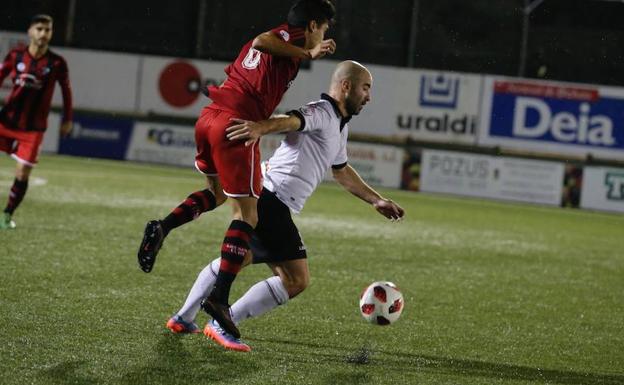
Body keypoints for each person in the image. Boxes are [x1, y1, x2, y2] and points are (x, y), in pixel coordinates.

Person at [168, 60, 405, 352]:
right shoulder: (323, 111)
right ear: (346, 86)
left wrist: (376, 199)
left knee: (236, 259)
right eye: (365, 88)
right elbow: (292, 120)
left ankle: (183, 317)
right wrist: (260, 128)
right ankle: (220, 323)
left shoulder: (339, 126)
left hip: (269, 196)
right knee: (296, 279)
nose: (369, 96)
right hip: (273, 200)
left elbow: (341, 170)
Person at [137, 0, 337, 339]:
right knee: (249, 215)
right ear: (314, 25)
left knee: (215, 194)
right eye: (325, 28)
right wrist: (307, 53)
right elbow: (262, 40)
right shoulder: (289, 37)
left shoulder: (285, 42)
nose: (324, 36)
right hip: (235, 125)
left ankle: (163, 226)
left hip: (210, 117)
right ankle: (220, 299)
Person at [0, 14, 73, 229]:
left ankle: (6, 214)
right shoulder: (16, 55)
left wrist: (68, 118)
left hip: (33, 128)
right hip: (6, 120)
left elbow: (66, 92)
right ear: (30, 31)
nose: (43, 33)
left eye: (47, 30)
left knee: (23, 172)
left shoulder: (57, 62)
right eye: (39, 28)